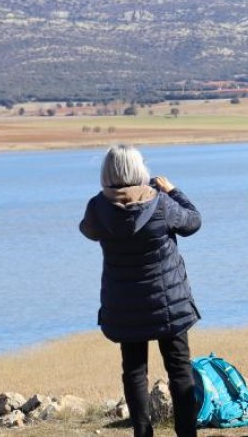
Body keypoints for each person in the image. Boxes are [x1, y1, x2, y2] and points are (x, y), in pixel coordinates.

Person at [79, 144, 202, 437]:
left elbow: (87, 230)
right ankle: (187, 433)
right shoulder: (160, 203)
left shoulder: (98, 208)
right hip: (168, 301)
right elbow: (193, 221)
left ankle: (143, 433)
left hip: (124, 304)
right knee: (179, 370)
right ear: (139, 170)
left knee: (134, 371)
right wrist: (173, 190)